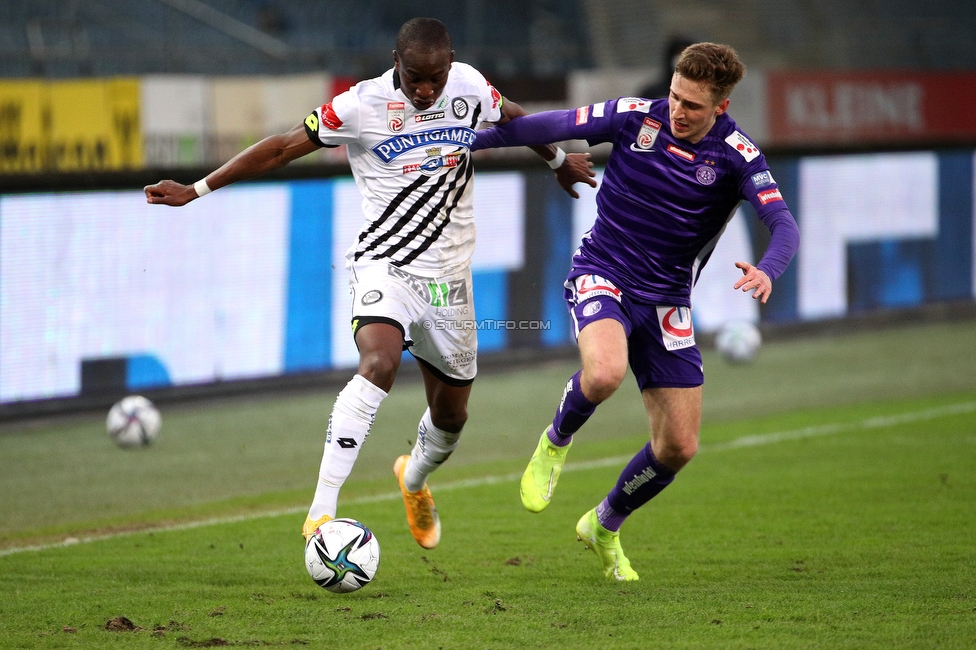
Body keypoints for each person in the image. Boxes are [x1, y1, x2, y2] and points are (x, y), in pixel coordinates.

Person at [145, 17, 593, 550]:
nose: (426, 91)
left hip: (449, 284)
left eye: (436, 79)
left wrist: (561, 160)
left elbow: (514, 118)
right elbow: (285, 146)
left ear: (450, 67)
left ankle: (414, 480)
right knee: (378, 363)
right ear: (395, 64)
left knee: (451, 419)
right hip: (385, 266)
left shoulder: (470, 85)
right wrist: (197, 188)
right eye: (414, 79)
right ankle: (320, 513)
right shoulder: (360, 104)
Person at [471, 42, 800, 580]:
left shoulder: (738, 156)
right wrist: (471, 143)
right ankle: (554, 444)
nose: (677, 110)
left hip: (668, 299)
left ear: (721, 105)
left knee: (679, 446)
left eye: (693, 105)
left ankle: (604, 524)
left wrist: (768, 268)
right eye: (674, 96)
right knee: (603, 373)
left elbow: (783, 224)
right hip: (604, 270)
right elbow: (547, 126)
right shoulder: (634, 116)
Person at [637, 36, 697, 100]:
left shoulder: (702, 92)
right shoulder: (652, 93)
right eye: (679, 53)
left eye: (687, 54)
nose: (682, 59)